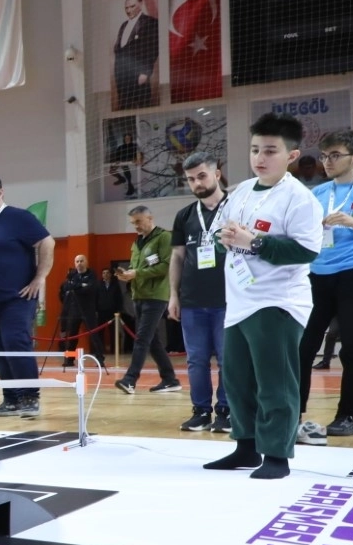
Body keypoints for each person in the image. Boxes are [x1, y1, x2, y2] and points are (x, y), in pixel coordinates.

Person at [204, 113, 322, 478]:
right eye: (255, 149)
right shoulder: (240, 191)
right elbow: (220, 237)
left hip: (277, 301)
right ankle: (246, 446)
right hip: (239, 301)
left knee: (275, 381)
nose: (260, 157)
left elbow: (306, 250)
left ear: (291, 155)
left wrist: (254, 242)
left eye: (270, 150)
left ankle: (276, 456)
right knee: (237, 380)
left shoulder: (299, 199)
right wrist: (224, 240)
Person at [296, 129, 353, 439]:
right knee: (303, 346)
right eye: (324, 156)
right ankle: (293, 410)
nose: (327, 162)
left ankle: (348, 416)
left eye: (334, 155)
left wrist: (352, 221)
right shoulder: (317, 193)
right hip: (318, 273)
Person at [0, 174, 55, 418]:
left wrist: (40, 278)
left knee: (15, 343)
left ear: (0, 192)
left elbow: (48, 243)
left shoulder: (19, 217)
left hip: (15, 298)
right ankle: (11, 400)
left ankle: (29, 398)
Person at [168, 154, 231, 434]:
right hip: (192, 301)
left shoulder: (237, 207)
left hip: (229, 300)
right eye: (191, 179)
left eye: (202, 176)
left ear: (216, 174)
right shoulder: (184, 215)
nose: (197, 183)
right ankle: (201, 411)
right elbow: (177, 257)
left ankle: (226, 411)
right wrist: (173, 294)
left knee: (228, 359)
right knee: (196, 361)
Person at [114, 205, 182, 395]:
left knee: (142, 338)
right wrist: (127, 275)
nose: (136, 226)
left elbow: (166, 266)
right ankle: (170, 379)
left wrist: (137, 273)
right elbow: (136, 267)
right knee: (153, 341)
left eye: (138, 221)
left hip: (156, 295)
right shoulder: (137, 243)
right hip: (139, 295)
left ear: (150, 218)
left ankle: (130, 379)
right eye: (133, 223)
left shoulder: (164, 237)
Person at [112, 0, 158, 110]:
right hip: (122, 76)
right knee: (124, 106)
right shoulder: (123, 25)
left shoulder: (150, 22)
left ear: (141, 4)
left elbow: (152, 48)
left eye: (132, 6)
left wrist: (145, 72)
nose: (129, 10)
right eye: (126, 8)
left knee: (143, 105)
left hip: (138, 74)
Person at [57, 254, 104, 368]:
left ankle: (100, 359)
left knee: (94, 336)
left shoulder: (91, 274)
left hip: (88, 310)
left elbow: (89, 289)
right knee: (72, 336)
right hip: (74, 310)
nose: (79, 263)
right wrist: (80, 285)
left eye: (81, 261)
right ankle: (69, 359)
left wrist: (75, 287)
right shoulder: (72, 274)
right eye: (77, 261)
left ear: (86, 262)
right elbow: (66, 287)